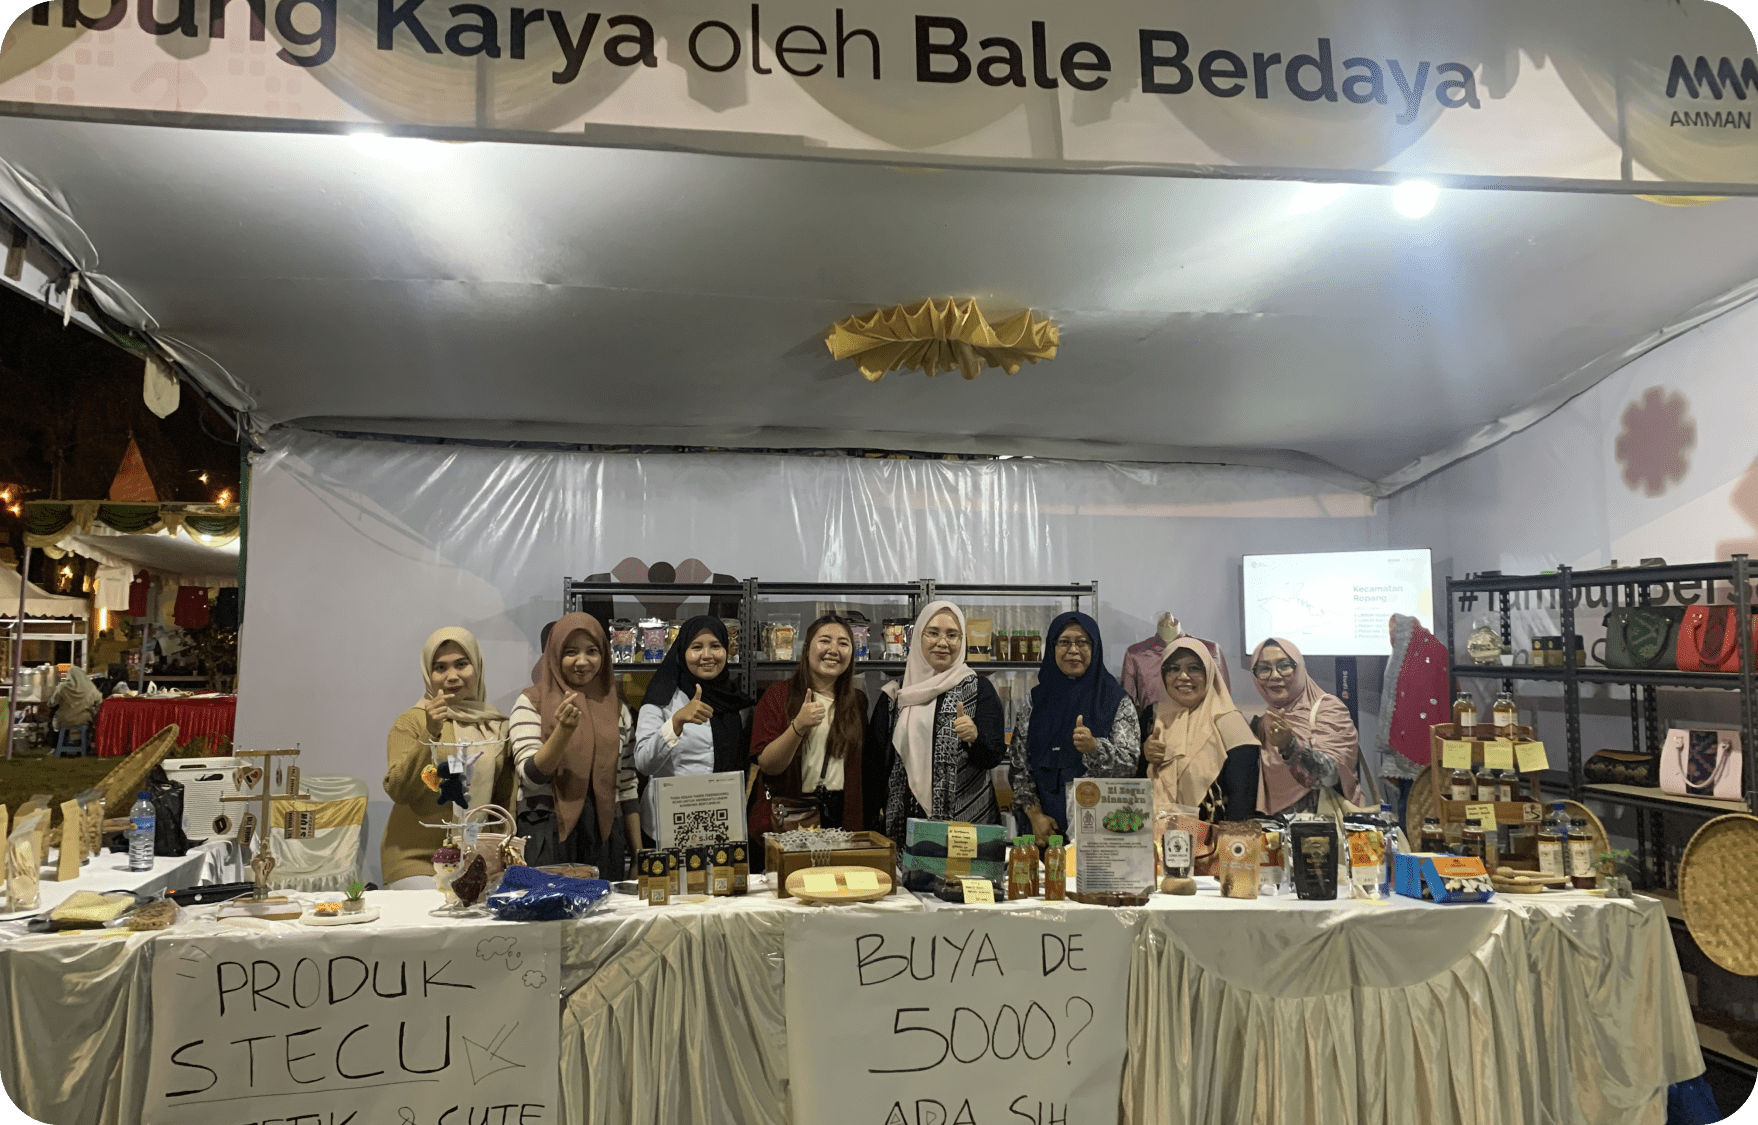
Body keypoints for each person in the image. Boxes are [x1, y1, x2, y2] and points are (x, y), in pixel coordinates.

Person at [510, 612, 640, 877]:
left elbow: (626, 785)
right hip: (546, 833)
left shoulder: (618, 710)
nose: (582, 661)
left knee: (605, 905)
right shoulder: (531, 703)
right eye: (571, 652)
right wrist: (563, 732)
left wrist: (639, 855)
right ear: (555, 655)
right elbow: (530, 776)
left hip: (604, 836)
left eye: (592, 651)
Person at [383, 627, 513, 889]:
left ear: (477, 667)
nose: (452, 676)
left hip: (477, 859)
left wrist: (502, 857)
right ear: (428, 675)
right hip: (417, 859)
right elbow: (399, 789)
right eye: (440, 668)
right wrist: (430, 733)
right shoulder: (412, 721)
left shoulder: (496, 727)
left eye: (461, 664)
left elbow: (503, 801)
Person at [870, 600, 1006, 842]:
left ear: (962, 641)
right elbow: (875, 767)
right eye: (933, 633)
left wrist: (975, 738)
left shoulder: (978, 690)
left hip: (965, 828)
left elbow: (993, 756)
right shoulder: (894, 697)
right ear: (918, 638)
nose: (942, 643)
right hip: (904, 828)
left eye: (952, 635)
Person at [1008, 612, 1139, 841]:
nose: (1073, 650)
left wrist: (1095, 747)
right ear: (1052, 647)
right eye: (1064, 642)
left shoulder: (1116, 701)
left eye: (1082, 642)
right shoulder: (1035, 702)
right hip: (1043, 828)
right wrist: (1035, 815)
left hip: (1102, 829)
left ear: (1094, 647)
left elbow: (1130, 764)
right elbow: (1019, 766)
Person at [633, 616, 756, 842]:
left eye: (715, 646)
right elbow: (643, 763)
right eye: (696, 647)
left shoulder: (737, 703)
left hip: (722, 824)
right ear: (682, 652)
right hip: (669, 826)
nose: (707, 655)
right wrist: (676, 722)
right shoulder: (662, 697)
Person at [750, 615, 875, 831]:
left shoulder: (857, 701)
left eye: (843, 643)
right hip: (791, 814)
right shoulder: (778, 696)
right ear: (807, 648)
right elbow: (769, 765)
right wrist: (798, 726)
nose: (833, 650)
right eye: (825, 641)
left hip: (841, 816)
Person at [1141, 639, 1260, 828]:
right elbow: (1133, 788)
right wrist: (1144, 755)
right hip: (1154, 837)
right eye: (1173, 669)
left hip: (1212, 840)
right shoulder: (1152, 718)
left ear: (1209, 673)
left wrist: (1228, 843)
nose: (1183, 676)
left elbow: (1242, 801)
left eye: (1194, 668)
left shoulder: (1231, 724)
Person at [1247, 637, 1364, 817]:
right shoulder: (1262, 723)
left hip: (1326, 827)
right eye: (1264, 669)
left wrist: (1289, 745)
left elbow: (1331, 776)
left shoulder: (1329, 709)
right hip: (1274, 829)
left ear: (1299, 668)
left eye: (1284, 666)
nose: (1274, 676)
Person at [1376, 613, 1447, 825]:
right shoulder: (1408, 656)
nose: (1390, 637)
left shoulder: (1424, 656)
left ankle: (1414, 845)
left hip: (1424, 751)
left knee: (1415, 811)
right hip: (1412, 750)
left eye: (1392, 632)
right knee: (1411, 809)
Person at [49, 666, 102, 732]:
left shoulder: (62, 687)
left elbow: (51, 703)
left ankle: (57, 737)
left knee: (53, 723)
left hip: (64, 721)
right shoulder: (90, 687)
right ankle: (85, 738)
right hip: (84, 720)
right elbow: (100, 701)